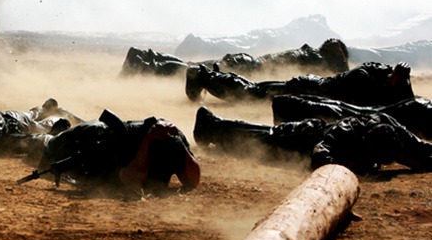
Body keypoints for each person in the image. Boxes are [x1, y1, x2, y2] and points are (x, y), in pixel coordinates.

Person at [193, 105, 432, 174]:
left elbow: (423, 151)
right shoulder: (348, 130)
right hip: (301, 138)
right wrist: (347, 166)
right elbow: (320, 154)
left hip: (316, 137)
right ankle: (211, 124)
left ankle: (214, 125)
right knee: (259, 139)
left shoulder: (397, 134)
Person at [21, 109, 201, 193]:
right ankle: (37, 120)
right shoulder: (130, 143)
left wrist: (180, 146)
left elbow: (193, 180)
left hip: (98, 150)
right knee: (44, 145)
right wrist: (147, 142)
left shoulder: (174, 141)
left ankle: (55, 122)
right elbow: (131, 181)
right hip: (85, 138)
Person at [185, 61, 413, 106]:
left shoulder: (397, 84)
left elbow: (408, 103)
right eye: (394, 78)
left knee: (255, 88)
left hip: (307, 88)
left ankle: (212, 75)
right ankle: (202, 75)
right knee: (251, 93)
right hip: (304, 88)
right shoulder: (364, 76)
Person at [121, 39, 350, 78]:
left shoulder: (308, 53)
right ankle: (144, 63)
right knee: (191, 71)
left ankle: (144, 58)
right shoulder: (314, 58)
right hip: (247, 66)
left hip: (245, 61)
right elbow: (343, 73)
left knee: (191, 67)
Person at [271, 94, 432, 140]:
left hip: (377, 115)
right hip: (377, 115)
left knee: (332, 108)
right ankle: (283, 104)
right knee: (332, 108)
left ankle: (283, 104)